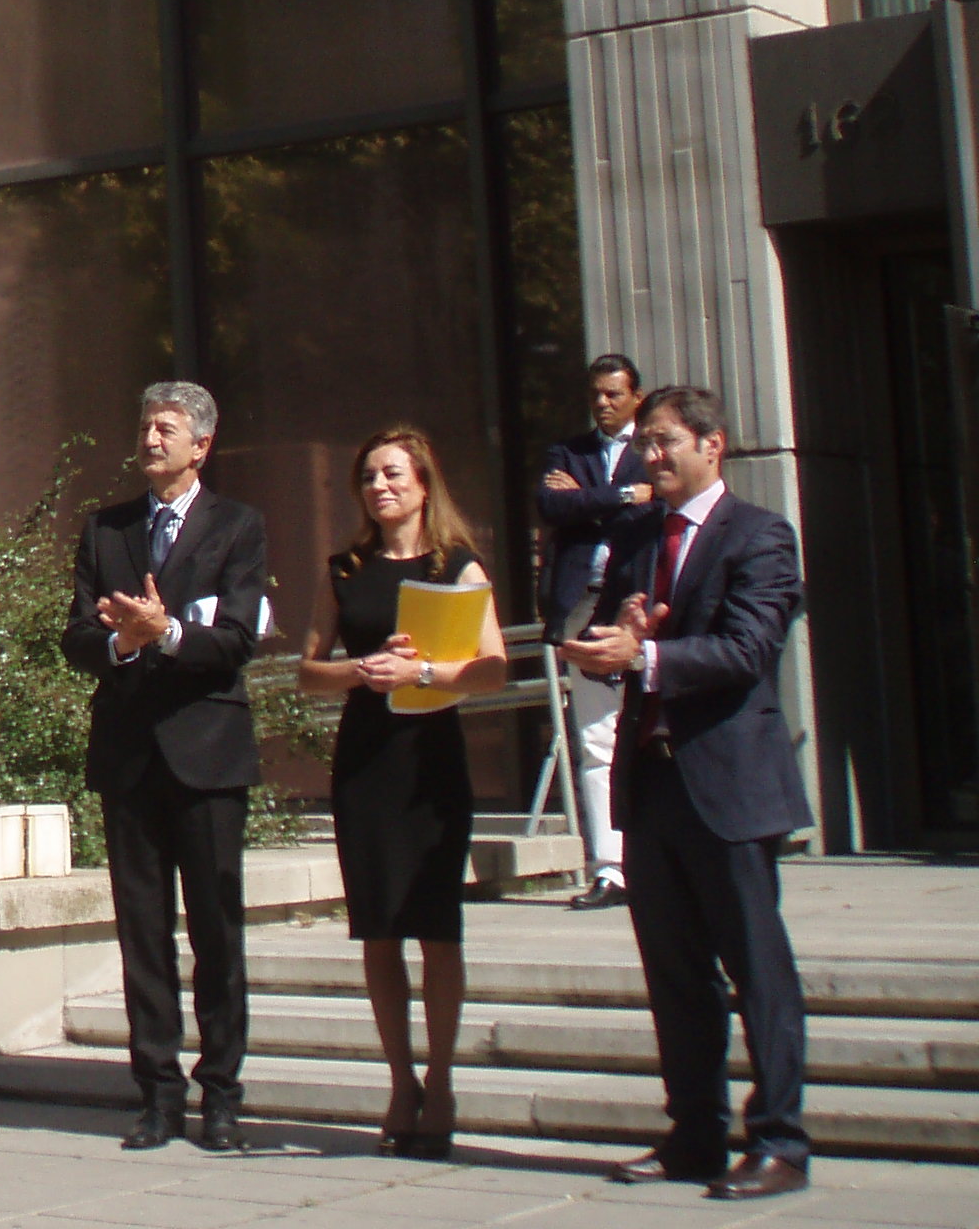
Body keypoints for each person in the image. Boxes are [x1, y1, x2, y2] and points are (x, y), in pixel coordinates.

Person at [558, 385, 813, 1201]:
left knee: (757, 970)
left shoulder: (762, 537)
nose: (651, 457)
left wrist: (648, 658)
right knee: (674, 975)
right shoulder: (636, 537)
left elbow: (748, 649)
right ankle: (693, 1134)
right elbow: (615, 631)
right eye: (646, 444)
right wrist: (613, 633)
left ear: (715, 444)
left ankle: (778, 1139)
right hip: (655, 782)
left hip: (730, 784)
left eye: (665, 441)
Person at [62, 380, 273, 1154]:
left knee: (216, 935)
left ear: (201, 445)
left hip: (207, 756)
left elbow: (238, 640)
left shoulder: (237, 528)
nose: (151, 438)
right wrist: (123, 643)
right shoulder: (106, 529)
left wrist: (170, 632)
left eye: (167, 428)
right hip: (128, 757)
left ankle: (222, 1093)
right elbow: (78, 636)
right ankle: (156, 1093)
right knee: (141, 936)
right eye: (146, 424)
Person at [299, 428, 509, 1159]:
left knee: (436, 923)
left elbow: (493, 668)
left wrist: (423, 676)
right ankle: (399, 1081)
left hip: (430, 761)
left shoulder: (458, 565)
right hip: (366, 762)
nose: (379, 486)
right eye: (368, 476)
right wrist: (363, 672)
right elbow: (307, 669)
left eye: (393, 473)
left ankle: (442, 1080)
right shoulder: (345, 568)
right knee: (378, 926)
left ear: (423, 482)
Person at [538, 354, 651, 909]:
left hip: (642, 606)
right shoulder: (568, 452)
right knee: (594, 739)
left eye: (613, 394)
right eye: (596, 394)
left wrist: (585, 503)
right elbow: (551, 504)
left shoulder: (654, 449)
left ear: (636, 396)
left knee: (654, 731)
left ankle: (657, 861)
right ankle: (610, 869)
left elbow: (657, 509)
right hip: (581, 610)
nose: (603, 403)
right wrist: (626, 497)